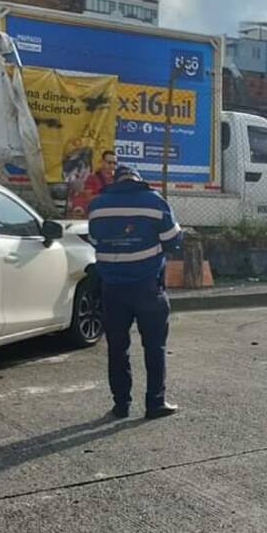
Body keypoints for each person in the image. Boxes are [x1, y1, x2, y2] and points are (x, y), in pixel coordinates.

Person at [88, 164, 182, 421]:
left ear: (116, 180)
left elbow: (95, 241)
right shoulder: (154, 201)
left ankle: (121, 406)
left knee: (117, 348)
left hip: (112, 288)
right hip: (147, 286)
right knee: (155, 346)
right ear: (138, 179)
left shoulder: (97, 205)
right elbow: (173, 239)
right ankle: (155, 404)